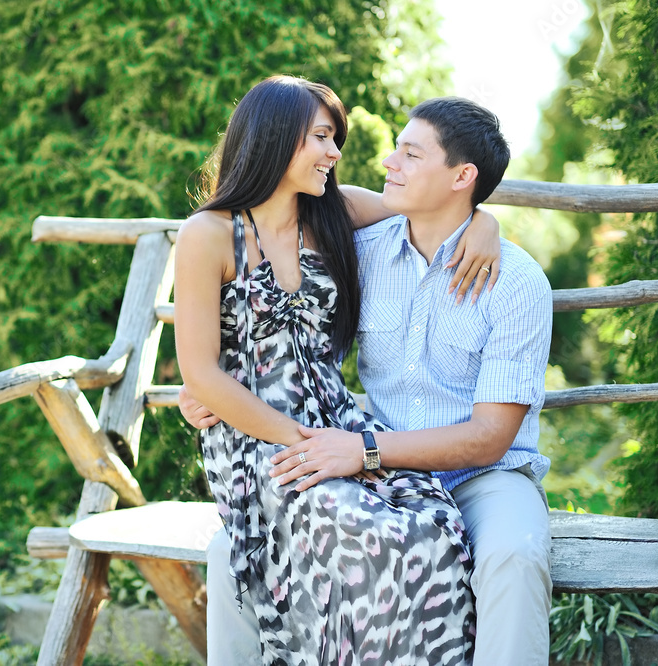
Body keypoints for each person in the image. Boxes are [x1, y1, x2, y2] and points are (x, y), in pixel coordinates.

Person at [182, 96, 554, 666]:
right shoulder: (358, 245)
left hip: (479, 475)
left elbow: (489, 438)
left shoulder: (514, 280)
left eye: (410, 154)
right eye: (323, 137)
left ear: (462, 176)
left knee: (515, 555)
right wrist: (207, 387)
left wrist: (483, 220)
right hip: (365, 463)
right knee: (233, 549)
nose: (385, 161)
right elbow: (259, 330)